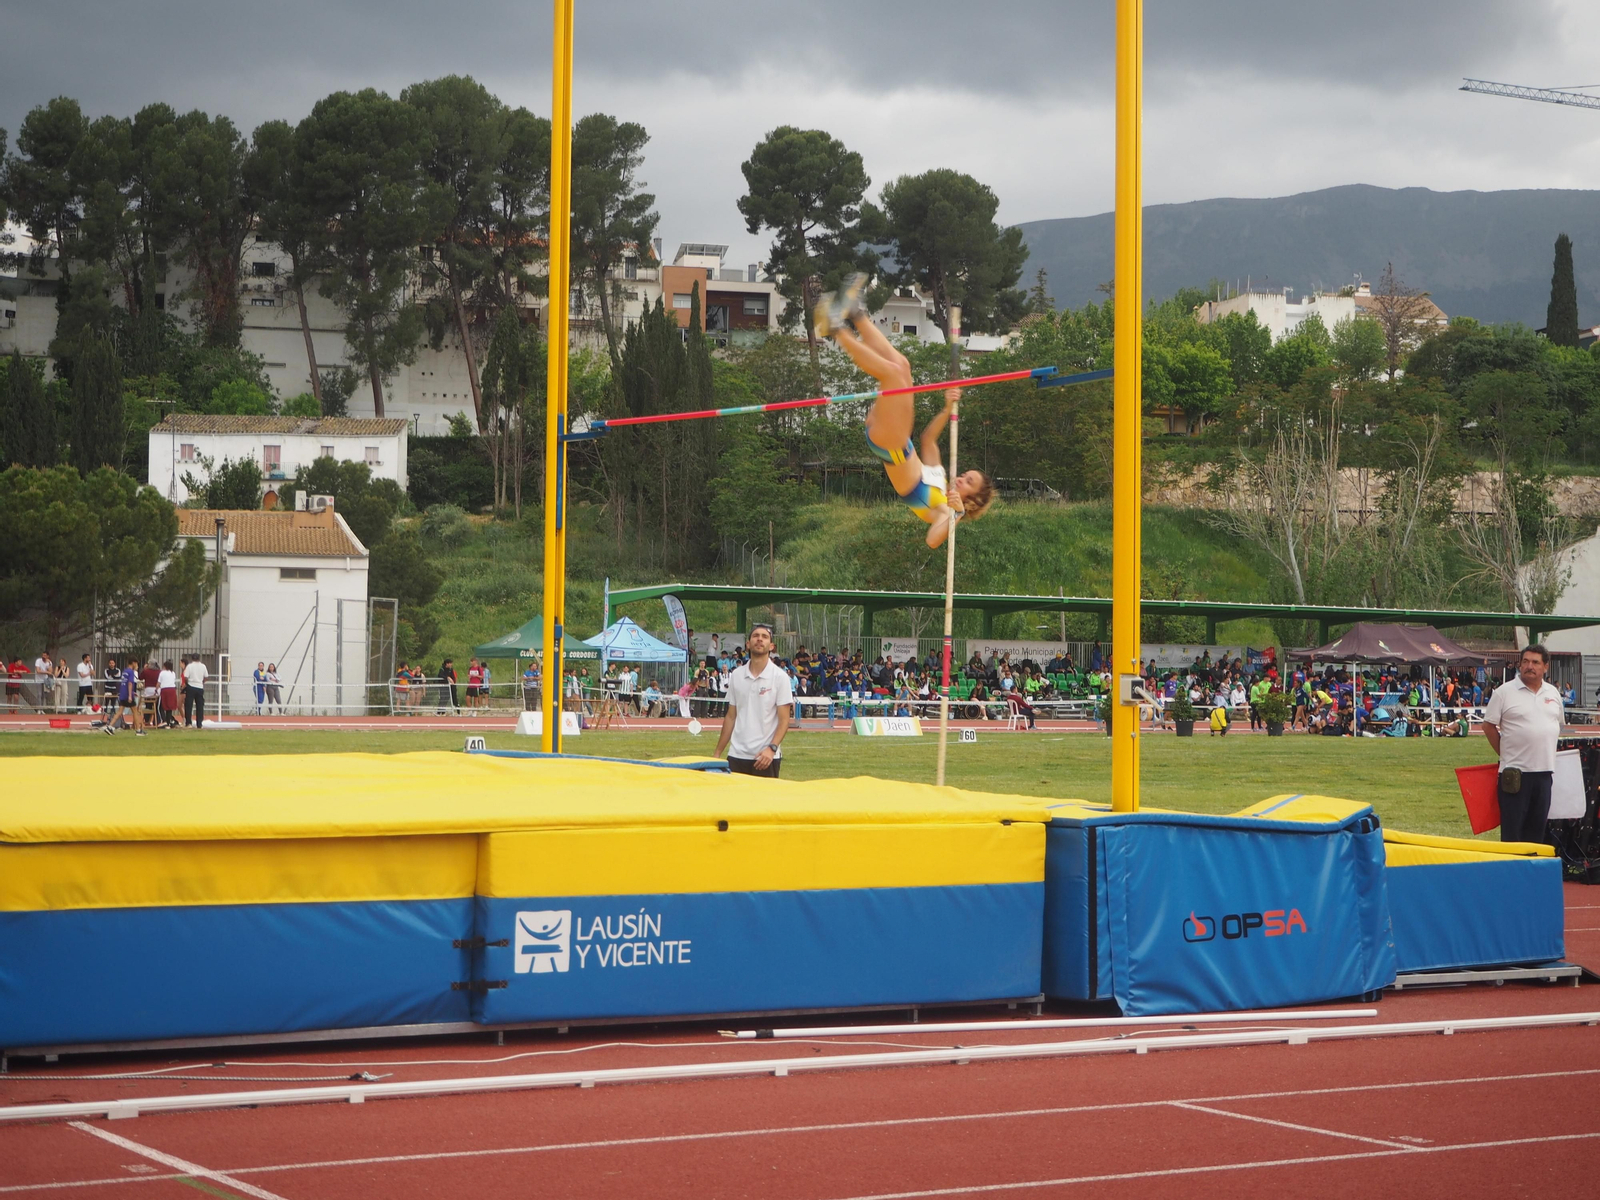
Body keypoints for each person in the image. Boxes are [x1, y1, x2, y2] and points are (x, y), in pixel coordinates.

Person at [814, 274, 995, 548]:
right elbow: (928, 440)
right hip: (895, 437)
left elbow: (933, 541)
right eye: (965, 474)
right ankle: (856, 314)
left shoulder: (945, 512)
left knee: (893, 377)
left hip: (893, 446)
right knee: (902, 366)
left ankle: (837, 329)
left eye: (967, 480)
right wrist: (947, 409)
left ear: (974, 500)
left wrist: (958, 513)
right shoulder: (940, 478)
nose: (960, 477)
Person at [1481, 644, 1565, 845]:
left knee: (1537, 832)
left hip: (1544, 774)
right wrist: (1505, 754)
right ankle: (1510, 875)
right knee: (1513, 833)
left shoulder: (1553, 693)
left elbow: (1557, 725)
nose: (1530, 666)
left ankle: (1531, 875)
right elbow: (1488, 726)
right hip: (1515, 775)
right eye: (1526, 661)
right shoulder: (1504, 692)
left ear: (1545, 667)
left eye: (1535, 662)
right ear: (1520, 664)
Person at [714, 622, 792, 777]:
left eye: (764, 637)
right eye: (756, 636)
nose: (760, 639)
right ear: (748, 644)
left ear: (771, 646)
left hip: (765, 757)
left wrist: (772, 748)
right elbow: (731, 717)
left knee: (764, 801)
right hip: (737, 755)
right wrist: (717, 754)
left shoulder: (780, 677)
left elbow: (784, 720)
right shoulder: (737, 675)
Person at [182, 654, 208, 729]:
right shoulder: (203, 666)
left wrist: (188, 683)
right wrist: (201, 682)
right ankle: (199, 724)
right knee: (200, 706)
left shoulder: (189, 666)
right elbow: (206, 677)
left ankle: (188, 723)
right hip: (200, 687)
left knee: (188, 705)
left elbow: (186, 677)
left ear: (192, 658)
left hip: (191, 686)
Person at [157, 660, 180, 729]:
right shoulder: (173, 673)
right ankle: (168, 722)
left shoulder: (162, 673)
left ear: (165, 666)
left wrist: (156, 689)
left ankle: (164, 720)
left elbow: (158, 683)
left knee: (161, 707)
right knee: (169, 707)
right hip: (172, 690)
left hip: (165, 690)